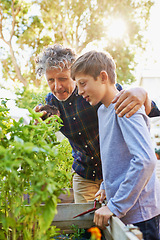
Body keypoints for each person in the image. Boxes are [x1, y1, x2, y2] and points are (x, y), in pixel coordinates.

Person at [35, 44, 160, 204]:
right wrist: (37, 120)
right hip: (84, 173)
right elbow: (43, 122)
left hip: (116, 172)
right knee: (85, 225)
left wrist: (143, 94)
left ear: (74, 74)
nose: (57, 86)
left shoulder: (93, 91)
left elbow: (129, 100)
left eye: (63, 79)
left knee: (116, 222)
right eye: (51, 80)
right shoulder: (52, 102)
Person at [71, 50, 160, 240]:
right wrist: (105, 185)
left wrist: (114, 206)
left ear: (103, 77)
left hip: (141, 215)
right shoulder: (103, 111)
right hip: (123, 213)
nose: (79, 92)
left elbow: (145, 161)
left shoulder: (126, 106)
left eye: (83, 83)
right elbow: (116, 158)